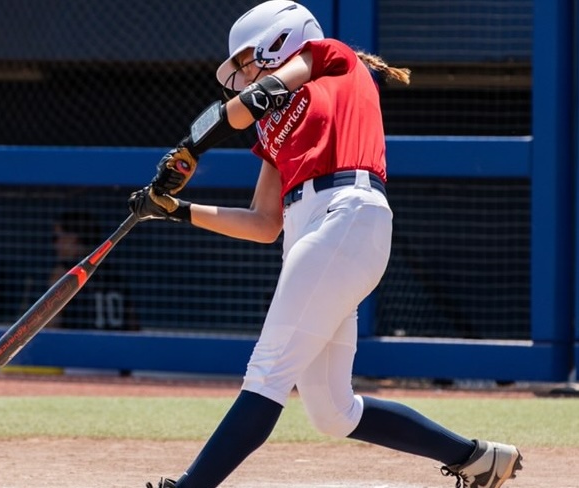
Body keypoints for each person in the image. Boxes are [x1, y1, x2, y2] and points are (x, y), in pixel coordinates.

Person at [127, 2, 522, 487]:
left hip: (347, 212)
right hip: (313, 230)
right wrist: (174, 209)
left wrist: (190, 148)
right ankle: (478, 459)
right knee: (333, 411)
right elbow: (263, 223)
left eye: (248, 60)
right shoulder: (271, 128)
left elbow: (257, 97)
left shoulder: (329, 57)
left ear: (280, 39)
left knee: (267, 372)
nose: (245, 74)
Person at [47, 210, 138, 333]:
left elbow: (52, 324)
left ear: (73, 238)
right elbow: (133, 325)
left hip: (81, 341)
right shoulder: (113, 274)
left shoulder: (65, 273)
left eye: (57, 237)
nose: (56, 244)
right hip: (117, 342)